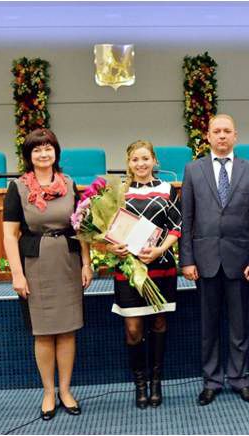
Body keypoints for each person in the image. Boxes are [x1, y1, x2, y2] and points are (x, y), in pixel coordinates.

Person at [2, 128, 92, 420]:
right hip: (36, 264)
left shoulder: (69, 183)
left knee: (67, 330)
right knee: (43, 333)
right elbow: (9, 235)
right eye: (37, 149)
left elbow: (81, 227)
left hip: (67, 260)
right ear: (29, 156)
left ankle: (66, 390)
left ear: (56, 152)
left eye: (48, 148)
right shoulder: (18, 187)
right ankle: (49, 392)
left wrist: (87, 263)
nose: (43, 154)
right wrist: (17, 274)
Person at [180, 114, 249, 406]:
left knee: (239, 327)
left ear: (235, 135)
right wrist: (187, 260)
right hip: (203, 261)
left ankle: (240, 379)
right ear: (207, 136)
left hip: (240, 262)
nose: (221, 136)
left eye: (227, 131)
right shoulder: (192, 170)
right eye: (216, 131)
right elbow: (186, 219)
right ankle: (212, 381)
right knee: (209, 327)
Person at [106, 140, 181, 409]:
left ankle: (156, 383)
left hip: (161, 265)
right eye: (135, 159)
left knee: (159, 323)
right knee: (134, 329)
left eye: (145, 158)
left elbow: (177, 226)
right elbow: (108, 231)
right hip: (128, 268)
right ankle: (140, 384)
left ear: (154, 161)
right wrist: (112, 246)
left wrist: (160, 248)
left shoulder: (167, 190)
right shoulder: (118, 192)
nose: (141, 164)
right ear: (128, 163)